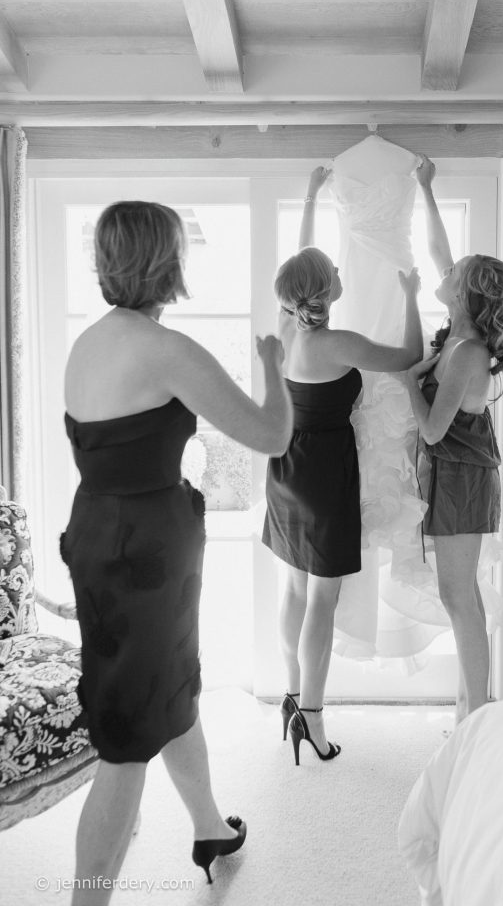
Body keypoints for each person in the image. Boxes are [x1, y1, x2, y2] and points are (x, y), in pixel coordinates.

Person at [60, 201, 292, 903]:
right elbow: (270, 435)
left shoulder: (89, 342)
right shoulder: (164, 349)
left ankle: (210, 828)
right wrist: (273, 364)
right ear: (166, 262)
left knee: (168, 690)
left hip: (101, 536)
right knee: (128, 738)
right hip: (144, 558)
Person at [263, 166, 423, 764]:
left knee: (294, 586)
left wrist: (306, 198)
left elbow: (298, 266)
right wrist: (408, 296)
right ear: (329, 292)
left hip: (285, 468)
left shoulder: (284, 329)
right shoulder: (339, 343)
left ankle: (292, 693)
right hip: (325, 475)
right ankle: (313, 716)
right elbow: (408, 354)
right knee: (322, 600)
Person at [401, 158, 503, 723]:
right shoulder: (458, 332)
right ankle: (472, 707)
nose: (444, 273)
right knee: (460, 594)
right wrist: (426, 190)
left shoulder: (468, 352)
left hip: (465, 479)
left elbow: (430, 428)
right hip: (455, 475)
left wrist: (406, 383)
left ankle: (477, 714)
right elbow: (437, 252)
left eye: (456, 272)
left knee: (458, 595)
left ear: (463, 294)